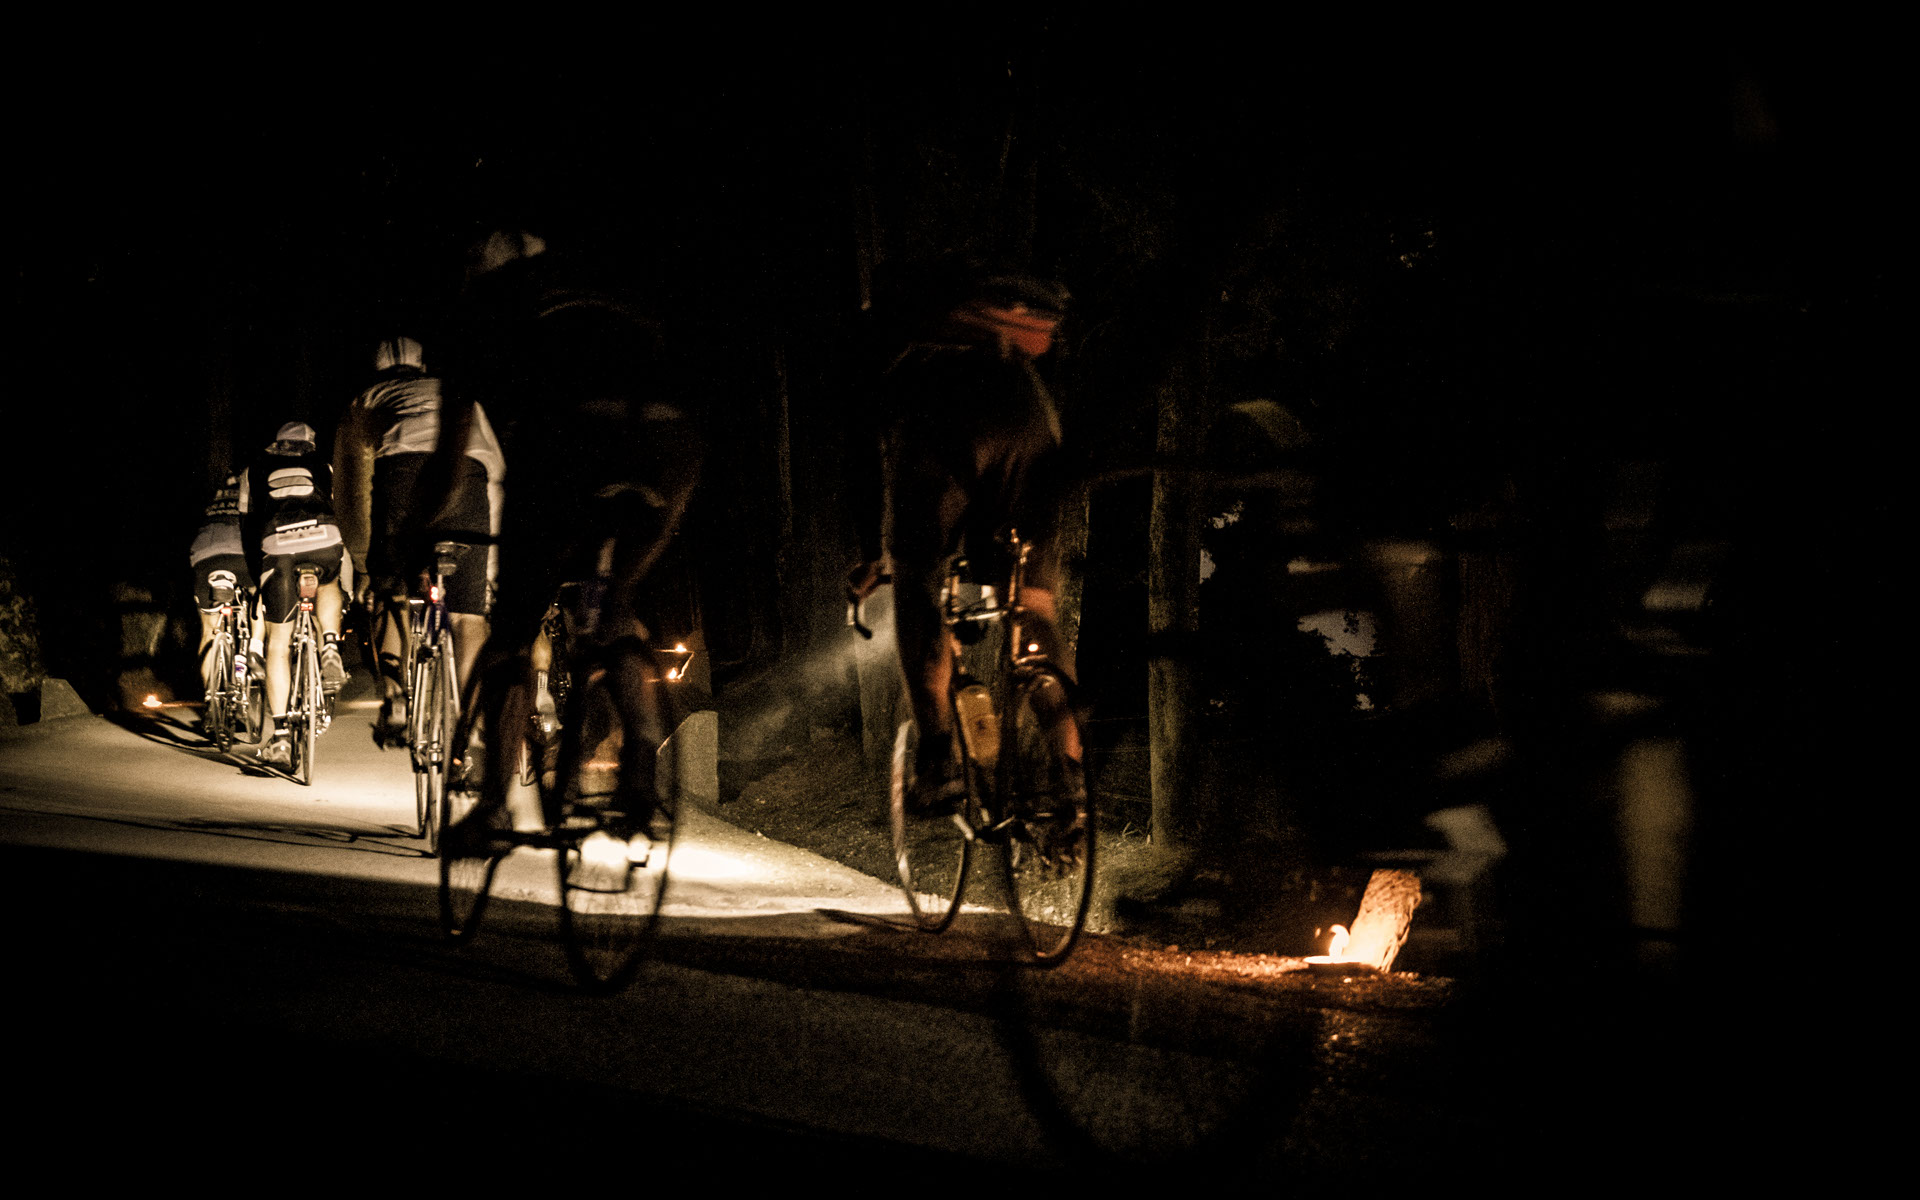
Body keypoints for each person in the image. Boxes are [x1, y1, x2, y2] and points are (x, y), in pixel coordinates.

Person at [425, 229, 700, 839]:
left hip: (574, 438)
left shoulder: (484, 314)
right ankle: (640, 772)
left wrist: (414, 534)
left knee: (515, 629)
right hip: (671, 439)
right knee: (617, 604)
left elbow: (449, 457)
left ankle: (494, 801)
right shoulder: (600, 285)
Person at [845, 265, 1081, 808]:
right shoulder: (997, 340)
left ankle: (937, 761)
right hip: (1032, 422)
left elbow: (862, 456)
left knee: (918, 581)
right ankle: (1072, 779)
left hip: (947, 424)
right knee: (1033, 607)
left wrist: (870, 552)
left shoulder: (881, 347)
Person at [333, 336, 504, 746]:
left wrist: (363, 564)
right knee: (469, 617)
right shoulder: (461, 395)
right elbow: (495, 470)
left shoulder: (367, 399)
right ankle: (475, 723)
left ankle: (394, 699)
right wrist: (490, 559)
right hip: (469, 480)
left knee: (390, 593)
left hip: (402, 474)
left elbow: (350, 482)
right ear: (423, 366)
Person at [239, 421, 349, 768]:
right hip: (324, 538)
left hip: (278, 545)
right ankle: (330, 646)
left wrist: (258, 578)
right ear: (309, 445)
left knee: (277, 645)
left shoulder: (252, 470)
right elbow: (342, 506)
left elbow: (246, 524)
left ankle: (283, 736)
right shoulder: (324, 465)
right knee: (330, 583)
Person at [188, 469, 255, 699]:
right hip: (240, 555)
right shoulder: (253, 491)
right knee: (261, 595)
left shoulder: (208, 493)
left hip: (204, 556)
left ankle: (210, 698)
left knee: (208, 630)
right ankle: (254, 648)